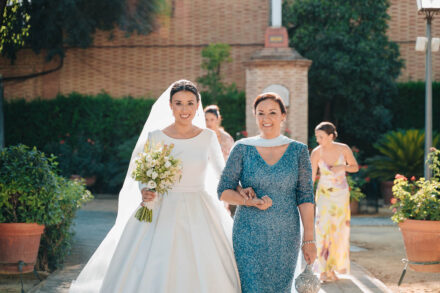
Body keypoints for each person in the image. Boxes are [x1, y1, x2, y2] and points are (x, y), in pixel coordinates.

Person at [69, 80, 241, 292]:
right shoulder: (156, 136)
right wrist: (145, 189)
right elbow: (144, 172)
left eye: (189, 103)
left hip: (200, 206)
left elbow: (221, 172)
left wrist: (239, 188)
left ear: (197, 106)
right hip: (161, 207)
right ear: (170, 106)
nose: (184, 109)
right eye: (179, 103)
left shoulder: (207, 137)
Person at [217, 92, 317, 293]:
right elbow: (223, 190)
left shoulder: (298, 151)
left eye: (272, 112)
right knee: (251, 288)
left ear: (283, 115)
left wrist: (309, 239)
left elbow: (306, 197)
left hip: (286, 234)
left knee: (280, 288)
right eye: (260, 113)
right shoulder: (242, 148)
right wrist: (248, 202)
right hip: (248, 233)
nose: (266, 118)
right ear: (255, 116)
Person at [310, 121, 359, 282]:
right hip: (324, 195)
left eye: (321, 137)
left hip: (341, 196)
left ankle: (333, 269)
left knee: (338, 231)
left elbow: (355, 167)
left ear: (331, 136)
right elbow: (311, 177)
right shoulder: (316, 152)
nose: (318, 140)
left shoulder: (343, 149)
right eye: (317, 137)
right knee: (323, 230)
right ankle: (323, 270)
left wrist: (343, 168)